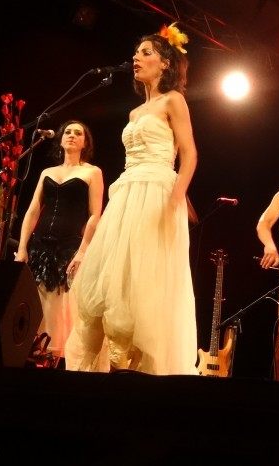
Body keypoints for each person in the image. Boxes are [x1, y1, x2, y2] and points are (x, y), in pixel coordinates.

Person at [65, 22, 199, 375]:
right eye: (136, 52)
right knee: (112, 279)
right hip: (127, 193)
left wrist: (176, 197)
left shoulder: (174, 100)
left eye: (146, 53)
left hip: (156, 192)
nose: (136, 58)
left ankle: (139, 370)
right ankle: (108, 368)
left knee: (144, 281)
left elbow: (190, 154)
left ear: (165, 63)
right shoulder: (134, 112)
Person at [14, 120, 104, 366]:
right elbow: (33, 211)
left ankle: (57, 358)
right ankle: (34, 353)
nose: (72, 136)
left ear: (85, 142)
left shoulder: (92, 172)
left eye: (78, 133)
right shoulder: (47, 173)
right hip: (40, 244)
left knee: (63, 306)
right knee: (36, 300)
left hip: (70, 245)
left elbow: (96, 214)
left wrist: (83, 250)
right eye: (68, 132)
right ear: (61, 139)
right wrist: (22, 248)